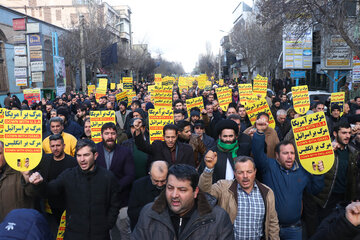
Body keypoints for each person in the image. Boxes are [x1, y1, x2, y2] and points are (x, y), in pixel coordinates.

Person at [29, 139, 121, 240]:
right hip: (74, 233)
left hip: (100, 235)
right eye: (78, 155)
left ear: (95, 156)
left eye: (86, 155)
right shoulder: (68, 175)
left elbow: (115, 203)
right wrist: (39, 184)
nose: (82, 159)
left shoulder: (107, 177)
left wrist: (108, 224)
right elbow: (49, 190)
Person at [252, 117, 325, 240]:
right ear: (277, 155)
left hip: (294, 229)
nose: (289, 157)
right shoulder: (269, 167)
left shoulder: (303, 171)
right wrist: (259, 132)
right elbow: (258, 153)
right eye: (285, 153)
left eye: (292, 153)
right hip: (271, 228)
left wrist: (318, 173)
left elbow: (315, 190)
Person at [132, 164, 234, 239]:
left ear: (195, 192)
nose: (174, 195)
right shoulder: (149, 213)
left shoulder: (218, 218)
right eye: (170, 188)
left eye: (182, 190)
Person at [199, 155, 280, 239]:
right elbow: (205, 191)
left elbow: (272, 223)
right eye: (240, 172)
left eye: (249, 172)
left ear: (255, 172)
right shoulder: (223, 188)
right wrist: (208, 169)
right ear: (235, 173)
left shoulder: (267, 192)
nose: (245, 176)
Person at [310, 123, 359, 225]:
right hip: (326, 199)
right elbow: (313, 169)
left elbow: (353, 177)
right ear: (335, 133)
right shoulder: (324, 149)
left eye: (349, 133)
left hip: (344, 199)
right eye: (344, 133)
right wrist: (327, 152)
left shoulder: (353, 152)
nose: (348, 136)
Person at [95, 122, 135, 238]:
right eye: (107, 133)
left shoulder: (125, 152)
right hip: (100, 199)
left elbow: (130, 175)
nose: (110, 136)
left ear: (116, 135)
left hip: (122, 199)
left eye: (112, 133)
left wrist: (115, 187)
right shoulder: (94, 150)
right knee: (105, 231)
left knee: (125, 230)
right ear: (101, 135)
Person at [35, 134, 77, 234]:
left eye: (58, 145)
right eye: (52, 146)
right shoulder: (45, 160)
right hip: (50, 205)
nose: (55, 148)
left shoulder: (73, 162)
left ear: (64, 146)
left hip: (69, 205)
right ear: (49, 147)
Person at [198, 119, 251, 183]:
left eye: (231, 136)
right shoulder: (212, 152)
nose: (228, 139)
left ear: (236, 136)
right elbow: (202, 176)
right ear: (219, 137)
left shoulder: (244, 150)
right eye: (225, 136)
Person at [0, 141, 35, 222]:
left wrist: (27, 178)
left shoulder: (21, 171)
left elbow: (34, 193)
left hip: (18, 227)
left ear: (6, 154)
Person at [128, 161, 168, 230]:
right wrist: (152, 208)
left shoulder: (173, 185)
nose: (159, 184)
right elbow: (132, 213)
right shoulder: (138, 185)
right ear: (150, 175)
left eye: (163, 181)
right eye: (156, 181)